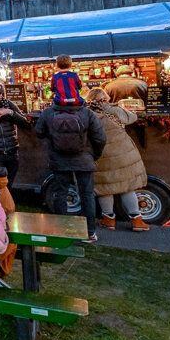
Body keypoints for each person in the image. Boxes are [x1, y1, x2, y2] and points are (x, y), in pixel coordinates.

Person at [35, 93, 106, 241]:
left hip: (59, 160)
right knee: (87, 195)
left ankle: (62, 231)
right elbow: (100, 138)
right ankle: (90, 232)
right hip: (84, 160)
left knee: (60, 193)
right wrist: (94, 155)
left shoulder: (48, 112)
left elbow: (39, 132)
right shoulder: (87, 113)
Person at [86, 88, 150, 231]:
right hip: (123, 154)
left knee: (105, 188)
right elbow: (132, 117)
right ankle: (137, 220)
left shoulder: (87, 113)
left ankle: (108, 219)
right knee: (127, 187)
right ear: (105, 98)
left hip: (101, 155)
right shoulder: (112, 110)